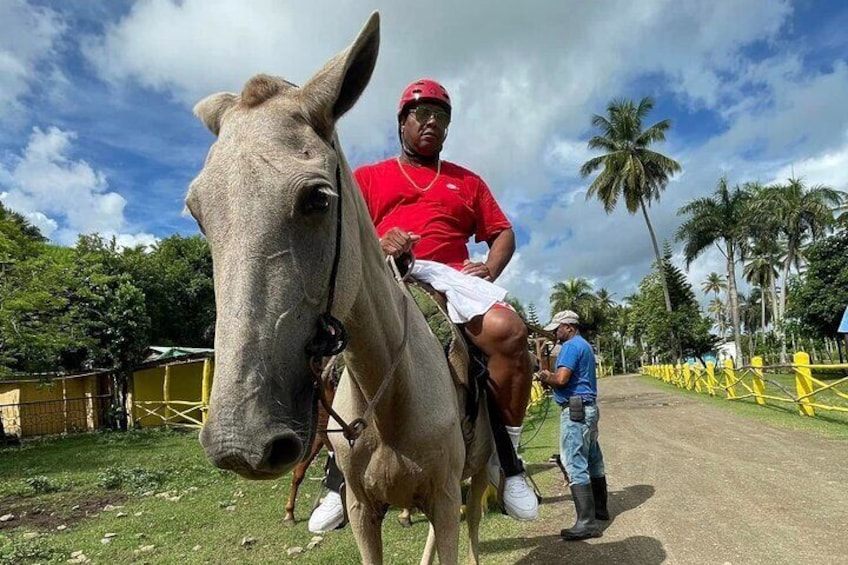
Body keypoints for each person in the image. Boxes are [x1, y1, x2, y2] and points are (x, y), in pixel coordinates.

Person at [308, 78, 538, 533]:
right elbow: (339, 235)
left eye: (442, 116)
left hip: (449, 280)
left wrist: (488, 269)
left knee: (509, 332)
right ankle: (337, 476)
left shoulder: (466, 181)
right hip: (386, 278)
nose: (432, 122)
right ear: (402, 123)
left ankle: (506, 459)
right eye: (422, 114)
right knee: (331, 352)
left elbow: (503, 232)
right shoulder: (369, 178)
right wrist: (378, 243)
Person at [537, 310, 609, 540]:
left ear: (569, 326)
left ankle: (586, 523)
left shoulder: (569, 347)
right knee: (593, 458)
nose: (555, 333)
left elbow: (561, 379)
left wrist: (545, 376)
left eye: (558, 328)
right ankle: (599, 509)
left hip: (575, 410)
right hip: (589, 408)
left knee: (574, 461)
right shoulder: (585, 346)